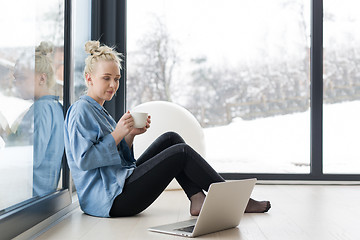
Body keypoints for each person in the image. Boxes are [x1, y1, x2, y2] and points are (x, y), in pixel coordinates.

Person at [64, 41, 271, 218]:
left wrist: (129, 137)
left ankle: (197, 198)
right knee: (180, 153)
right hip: (109, 201)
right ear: (89, 78)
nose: (113, 85)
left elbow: (117, 160)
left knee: (172, 139)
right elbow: (84, 161)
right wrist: (118, 133)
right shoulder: (81, 110)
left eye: (117, 79)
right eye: (106, 78)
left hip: (117, 188)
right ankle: (236, 201)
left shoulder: (100, 111)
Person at [8, 41, 64, 197]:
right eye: (15, 78)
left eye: (21, 78)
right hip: (43, 196)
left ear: (42, 78)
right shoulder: (55, 107)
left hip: (30, 196)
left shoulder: (41, 109)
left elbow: (32, 158)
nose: (16, 83)